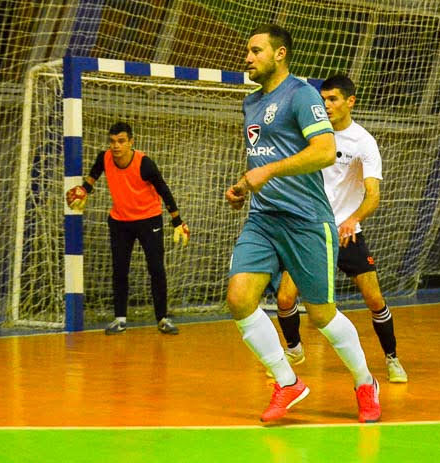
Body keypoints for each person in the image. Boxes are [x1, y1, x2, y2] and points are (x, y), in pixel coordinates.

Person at [225, 24, 380, 423]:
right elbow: (265, 161)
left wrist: (268, 173)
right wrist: (245, 184)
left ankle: (365, 383)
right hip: (263, 219)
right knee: (240, 298)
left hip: (307, 220)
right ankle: (287, 381)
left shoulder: (302, 94)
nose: (247, 58)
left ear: (279, 54)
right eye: (248, 51)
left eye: (255, 50)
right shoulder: (250, 104)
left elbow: (326, 151)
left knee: (322, 314)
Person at [273, 74, 408, 383]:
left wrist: (353, 219)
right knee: (284, 299)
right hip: (309, 231)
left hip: (347, 234)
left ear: (350, 102)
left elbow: (373, 195)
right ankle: (294, 350)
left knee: (374, 300)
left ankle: (392, 358)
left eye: (332, 99)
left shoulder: (363, 142)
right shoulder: (309, 136)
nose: (326, 105)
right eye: (322, 100)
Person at [65, 121, 189, 335]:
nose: (116, 146)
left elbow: (163, 190)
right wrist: (84, 190)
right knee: (119, 269)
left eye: (121, 141)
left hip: (149, 220)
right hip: (120, 221)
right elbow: (93, 176)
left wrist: (177, 221)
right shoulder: (104, 158)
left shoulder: (144, 164)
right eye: (112, 141)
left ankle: (162, 319)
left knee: (156, 269)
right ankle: (120, 319)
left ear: (131, 142)